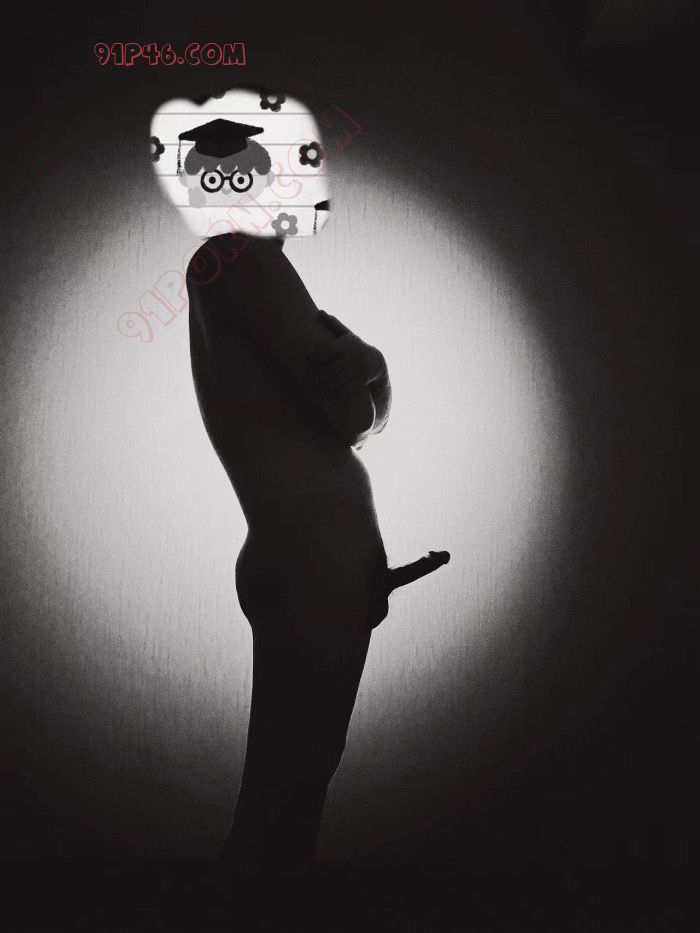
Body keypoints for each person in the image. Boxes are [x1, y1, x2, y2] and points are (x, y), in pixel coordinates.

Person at [186, 216, 448, 879]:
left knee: (294, 778)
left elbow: (358, 420)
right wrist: (373, 366)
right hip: (312, 564)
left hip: (314, 561)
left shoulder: (230, 265)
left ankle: (263, 903)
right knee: (289, 785)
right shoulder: (244, 260)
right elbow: (354, 416)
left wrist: (372, 369)